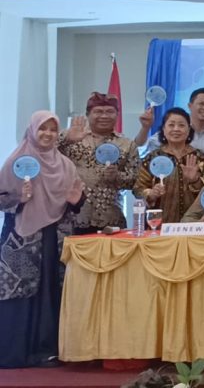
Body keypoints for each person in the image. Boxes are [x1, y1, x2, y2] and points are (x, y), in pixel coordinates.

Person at [0, 111, 84, 368]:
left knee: (51, 292)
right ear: (32, 130)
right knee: (20, 294)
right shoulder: (17, 161)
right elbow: (1, 199)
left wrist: (76, 202)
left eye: (52, 129)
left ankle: (47, 351)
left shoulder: (65, 165)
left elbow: (74, 202)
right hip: (22, 238)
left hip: (54, 236)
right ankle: (15, 353)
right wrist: (19, 198)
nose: (47, 134)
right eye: (42, 129)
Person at [58, 92, 140, 233]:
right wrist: (66, 139)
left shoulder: (127, 145)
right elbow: (44, 155)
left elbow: (135, 181)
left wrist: (117, 176)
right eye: (98, 111)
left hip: (111, 219)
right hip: (73, 217)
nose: (104, 116)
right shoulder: (72, 138)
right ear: (88, 114)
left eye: (109, 112)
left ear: (117, 114)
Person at [134, 108, 204, 223]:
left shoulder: (201, 157)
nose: (176, 129)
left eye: (181, 125)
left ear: (189, 130)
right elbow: (138, 188)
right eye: (171, 125)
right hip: (158, 223)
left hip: (195, 223)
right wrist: (151, 193)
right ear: (163, 129)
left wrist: (195, 181)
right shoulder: (152, 158)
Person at [137, 87, 204, 165]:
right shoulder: (173, 132)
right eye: (201, 104)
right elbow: (141, 149)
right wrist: (145, 128)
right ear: (190, 106)